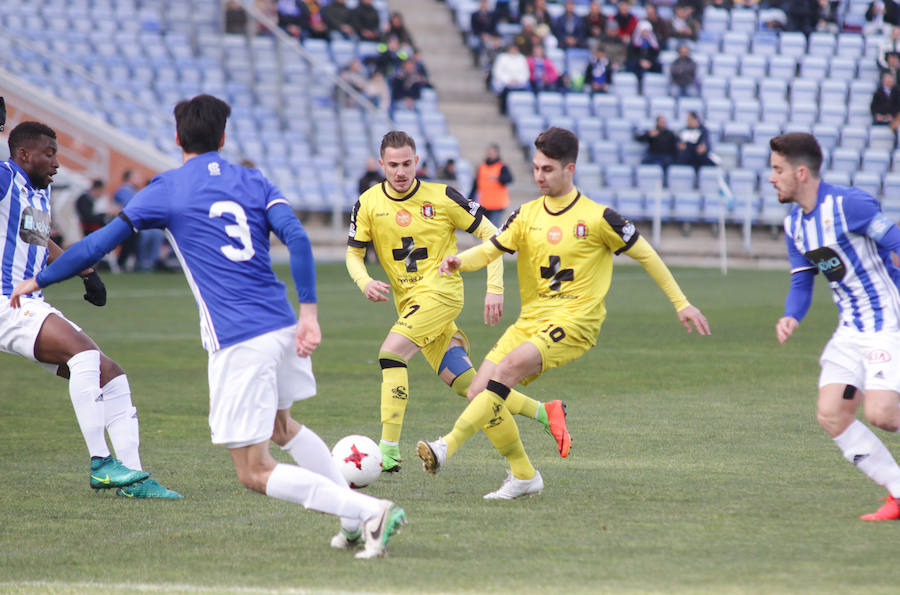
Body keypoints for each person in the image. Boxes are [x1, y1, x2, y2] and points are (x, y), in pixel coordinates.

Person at [10, 96, 406, 557]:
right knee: (283, 427)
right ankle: (351, 519)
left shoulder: (169, 188)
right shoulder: (253, 179)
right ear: (223, 137)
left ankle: (368, 511)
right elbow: (296, 237)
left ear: (178, 139)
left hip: (239, 338)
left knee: (253, 471)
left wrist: (39, 278)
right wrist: (310, 313)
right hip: (281, 324)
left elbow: (97, 244)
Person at [417, 127, 710, 498]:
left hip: (576, 321)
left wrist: (681, 303)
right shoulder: (525, 215)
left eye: (548, 170)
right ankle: (524, 474)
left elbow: (646, 254)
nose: (539, 176)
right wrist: (460, 260)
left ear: (570, 169)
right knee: (479, 393)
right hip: (531, 320)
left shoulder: (600, 218)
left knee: (504, 372)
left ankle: (445, 447)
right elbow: (492, 248)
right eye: (537, 168)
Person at [345, 130, 570, 478]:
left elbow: (492, 235)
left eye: (407, 164)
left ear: (417, 162)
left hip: (442, 295)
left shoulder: (443, 197)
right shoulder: (369, 203)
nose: (401, 172)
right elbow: (354, 254)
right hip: (412, 307)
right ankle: (543, 415)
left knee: (391, 353)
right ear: (381, 166)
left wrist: (495, 288)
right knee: (472, 387)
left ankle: (388, 452)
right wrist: (364, 281)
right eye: (393, 165)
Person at [0, 121, 179, 498]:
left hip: (28, 303)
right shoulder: (6, 177)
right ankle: (101, 464)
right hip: (6, 301)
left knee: (111, 375)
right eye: (49, 154)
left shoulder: (38, 195)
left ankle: (134, 478)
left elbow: (39, 239)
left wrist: (86, 272)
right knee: (85, 358)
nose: (57, 163)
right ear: (23, 155)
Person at [770, 132, 900, 521]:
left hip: (887, 323)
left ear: (802, 172)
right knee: (831, 414)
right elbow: (801, 283)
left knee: (882, 415)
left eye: (778, 170)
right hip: (849, 330)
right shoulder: (794, 225)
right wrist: (792, 315)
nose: (772, 178)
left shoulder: (849, 204)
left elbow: (894, 241)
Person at [469, 143, 513, 227]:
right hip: (485, 204)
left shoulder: (502, 166)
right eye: (489, 152)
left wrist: (499, 178)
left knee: (493, 228)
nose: (490, 154)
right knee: (484, 229)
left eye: (492, 152)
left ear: (497, 153)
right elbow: (475, 184)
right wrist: (469, 198)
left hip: (498, 204)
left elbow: (509, 179)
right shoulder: (482, 166)